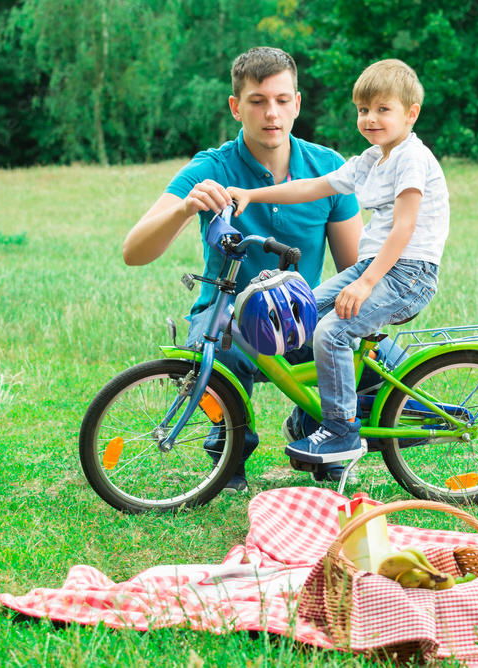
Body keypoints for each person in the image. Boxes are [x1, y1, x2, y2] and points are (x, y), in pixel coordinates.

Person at [121, 47, 364, 492]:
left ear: (297, 103)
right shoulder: (211, 168)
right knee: (222, 356)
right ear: (236, 107)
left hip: (301, 312)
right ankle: (229, 446)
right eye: (257, 101)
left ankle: (316, 426)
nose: (271, 113)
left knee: (372, 361)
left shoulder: (330, 169)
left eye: (281, 99)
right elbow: (134, 251)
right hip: (226, 315)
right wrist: (184, 209)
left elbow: (353, 267)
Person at [230, 59, 449, 464]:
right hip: (379, 266)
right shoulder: (373, 158)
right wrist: (251, 194)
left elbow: (404, 229)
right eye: (364, 110)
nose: (370, 119)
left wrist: (365, 284)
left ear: (410, 113)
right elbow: (313, 187)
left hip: (408, 274)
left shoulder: (411, 158)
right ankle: (328, 408)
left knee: (331, 332)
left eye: (383, 109)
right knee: (301, 310)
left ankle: (341, 431)